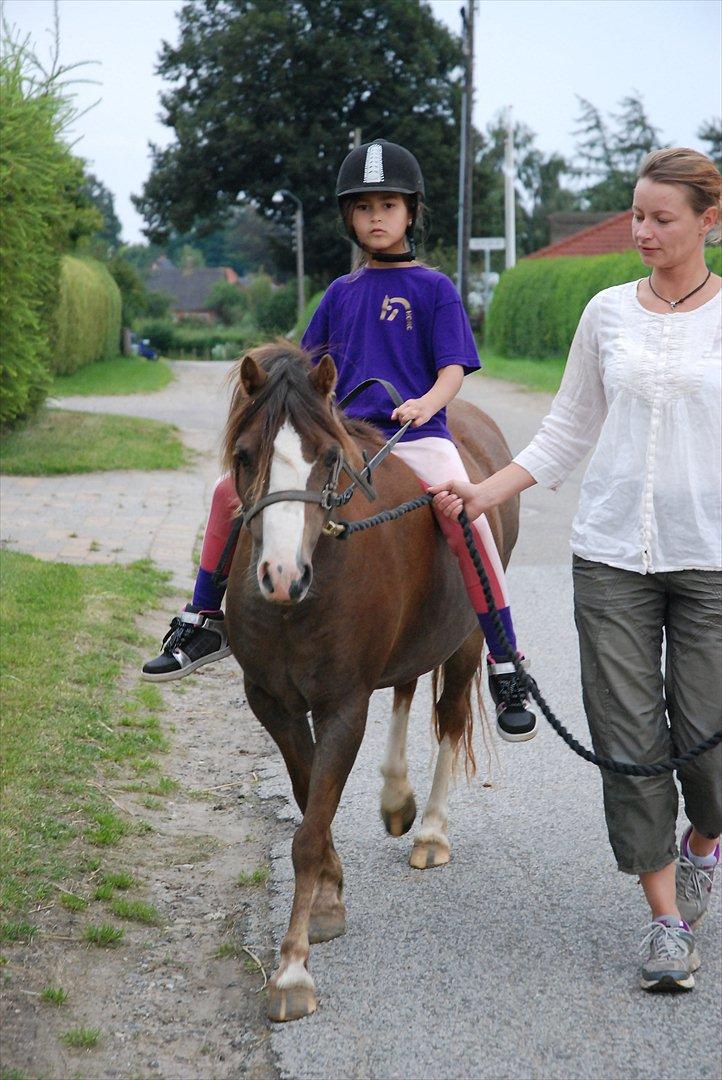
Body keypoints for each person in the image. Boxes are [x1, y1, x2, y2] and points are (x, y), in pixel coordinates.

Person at [431, 147, 721, 992]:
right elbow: (566, 429)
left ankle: (704, 839)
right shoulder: (605, 313)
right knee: (630, 743)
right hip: (609, 559)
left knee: (708, 748)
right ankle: (666, 923)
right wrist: (485, 491)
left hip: (710, 561)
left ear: (709, 221)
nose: (642, 231)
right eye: (636, 214)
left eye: (661, 218)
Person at [141, 139, 537, 741]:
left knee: (471, 518)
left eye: (389, 205)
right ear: (349, 218)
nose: (376, 217)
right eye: (363, 207)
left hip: (415, 437)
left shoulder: (434, 289)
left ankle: (505, 658)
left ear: (411, 213)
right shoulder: (339, 293)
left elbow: (454, 368)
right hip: (344, 441)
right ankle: (202, 617)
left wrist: (427, 403)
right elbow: (302, 366)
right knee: (229, 493)